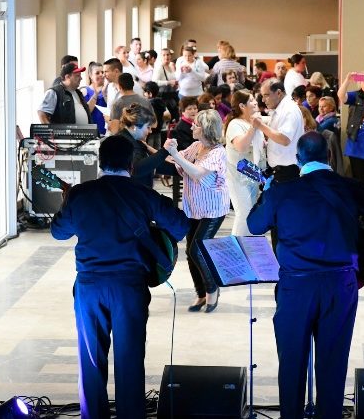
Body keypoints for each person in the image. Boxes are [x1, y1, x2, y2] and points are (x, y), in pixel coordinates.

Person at [247, 131, 364, 419]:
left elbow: (255, 225)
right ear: (329, 156)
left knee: (292, 360)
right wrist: (356, 226)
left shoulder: (282, 190)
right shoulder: (349, 187)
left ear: (298, 159)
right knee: (333, 359)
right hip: (340, 283)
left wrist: (266, 192)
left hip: (296, 286)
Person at [50, 134, 190, 419]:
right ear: (131, 164)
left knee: (90, 360)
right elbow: (180, 227)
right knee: (129, 359)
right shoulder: (142, 194)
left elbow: (58, 232)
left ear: (100, 162)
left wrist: (68, 203)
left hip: (90, 287)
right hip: (129, 287)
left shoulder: (80, 194)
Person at [165, 109, 230, 313]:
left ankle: (212, 289)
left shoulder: (218, 152)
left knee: (197, 249)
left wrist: (175, 154)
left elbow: (197, 172)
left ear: (206, 129)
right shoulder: (196, 146)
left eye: (196, 124)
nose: (192, 126)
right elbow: (176, 161)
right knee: (190, 250)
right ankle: (201, 293)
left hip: (213, 209)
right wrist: (157, 151)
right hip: (194, 208)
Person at [224, 90, 265, 236]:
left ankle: (246, 247)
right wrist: (254, 127)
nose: (255, 102)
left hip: (252, 176)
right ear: (242, 105)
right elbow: (241, 147)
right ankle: (236, 250)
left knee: (250, 212)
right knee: (244, 213)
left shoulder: (252, 122)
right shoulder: (235, 124)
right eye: (252, 100)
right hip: (237, 176)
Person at [255, 79, 304, 181]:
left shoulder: (289, 110)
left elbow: (284, 139)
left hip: (288, 170)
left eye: (266, 95)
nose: (263, 100)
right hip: (280, 169)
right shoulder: (281, 108)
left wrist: (261, 126)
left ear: (278, 93)